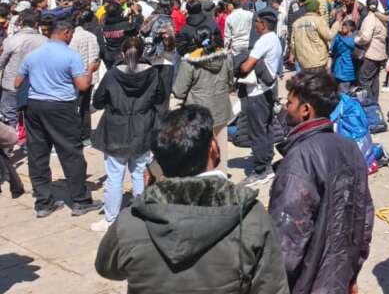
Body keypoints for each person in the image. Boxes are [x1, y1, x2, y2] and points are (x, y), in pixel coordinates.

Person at [95, 104, 288, 293]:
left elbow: (107, 268)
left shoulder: (132, 220)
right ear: (213, 148)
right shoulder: (251, 217)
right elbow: (272, 286)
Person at [269, 69, 374, 294]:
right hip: (340, 276)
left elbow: (287, 242)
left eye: (290, 103)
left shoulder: (300, 158)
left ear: (305, 110)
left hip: (308, 284)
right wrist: (353, 271)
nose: (286, 108)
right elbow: (365, 220)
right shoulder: (350, 148)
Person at [15, 18, 101, 218]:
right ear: (66, 33)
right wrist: (90, 70)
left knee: (37, 154)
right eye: (71, 34)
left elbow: (18, 82)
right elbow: (82, 86)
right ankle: (80, 201)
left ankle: (43, 203)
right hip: (61, 107)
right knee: (71, 153)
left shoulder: (33, 55)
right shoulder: (70, 55)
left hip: (35, 106)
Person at [90, 34, 164, 232]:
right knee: (139, 173)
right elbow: (160, 100)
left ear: (123, 53)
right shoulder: (153, 74)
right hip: (142, 127)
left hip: (116, 129)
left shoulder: (112, 75)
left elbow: (98, 101)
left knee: (115, 176)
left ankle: (111, 218)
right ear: (141, 53)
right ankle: (141, 216)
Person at [237, 8, 283, 186]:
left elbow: (246, 67)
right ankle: (267, 165)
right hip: (268, 90)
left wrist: (240, 61)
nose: (254, 25)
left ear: (263, 24)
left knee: (257, 132)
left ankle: (260, 170)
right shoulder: (275, 39)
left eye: (256, 21)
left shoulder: (263, 41)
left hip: (257, 92)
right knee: (266, 129)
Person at [173, 26, 234, 161]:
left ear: (195, 40)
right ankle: (220, 173)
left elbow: (179, 92)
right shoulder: (226, 57)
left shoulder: (190, 62)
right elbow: (231, 84)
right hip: (221, 110)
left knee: (200, 153)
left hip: (198, 114)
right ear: (213, 38)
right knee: (220, 150)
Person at [0, 8, 46, 126]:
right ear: (37, 24)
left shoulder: (11, 40)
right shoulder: (45, 42)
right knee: (32, 121)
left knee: (8, 118)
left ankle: (11, 137)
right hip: (36, 87)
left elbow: (1, 62)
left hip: (11, 85)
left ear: (21, 22)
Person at [70, 8, 101, 144]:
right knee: (85, 107)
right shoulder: (91, 36)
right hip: (90, 76)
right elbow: (95, 57)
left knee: (75, 107)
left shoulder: (72, 37)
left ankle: (76, 134)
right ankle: (86, 136)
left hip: (76, 78)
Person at [356, 0, 388, 102]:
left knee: (364, 79)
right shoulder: (381, 17)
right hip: (380, 52)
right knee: (374, 78)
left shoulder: (370, 18)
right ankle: (374, 101)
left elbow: (366, 37)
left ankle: (369, 102)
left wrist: (356, 40)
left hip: (371, 52)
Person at [290, 0, 332, 72]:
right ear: (316, 8)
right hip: (318, 62)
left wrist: (294, 55)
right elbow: (329, 36)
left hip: (302, 62)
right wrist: (337, 23)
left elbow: (293, 44)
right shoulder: (319, 21)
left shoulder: (296, 23)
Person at [330, 18, 358, 93]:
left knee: (341, 93)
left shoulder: (341, 40)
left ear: (350, 28)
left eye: (344, 26)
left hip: (341, 69)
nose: (342, 27)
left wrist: (337, 36)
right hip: (351, 70)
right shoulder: (355, 39)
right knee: (346, 92)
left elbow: (334, 50)